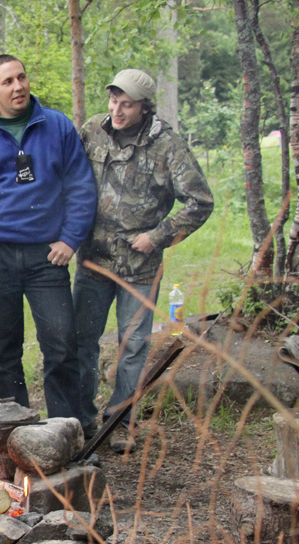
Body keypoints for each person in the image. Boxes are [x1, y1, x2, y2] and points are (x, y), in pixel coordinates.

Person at [0, 54, 97, 433]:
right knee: (3, 351)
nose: (18, 87)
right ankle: (20, 433)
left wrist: (70, 239)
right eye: (8, 81)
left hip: (48, 255)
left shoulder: (57, 126)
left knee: (62, 344)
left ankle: (65, 430)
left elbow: (81, 188)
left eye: (22, 77)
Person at [74, 69, 213, 453]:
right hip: (93, 262)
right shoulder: (92, 130)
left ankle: (118, 423)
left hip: (140, 266)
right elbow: (61, 166)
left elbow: (200, 201)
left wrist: (158, 236)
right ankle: (81, 421)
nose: (117, 110)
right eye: (114, 101)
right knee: (82, 343)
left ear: (144, 106)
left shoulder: (167, 144)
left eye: (127, 104)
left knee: (132, 346)